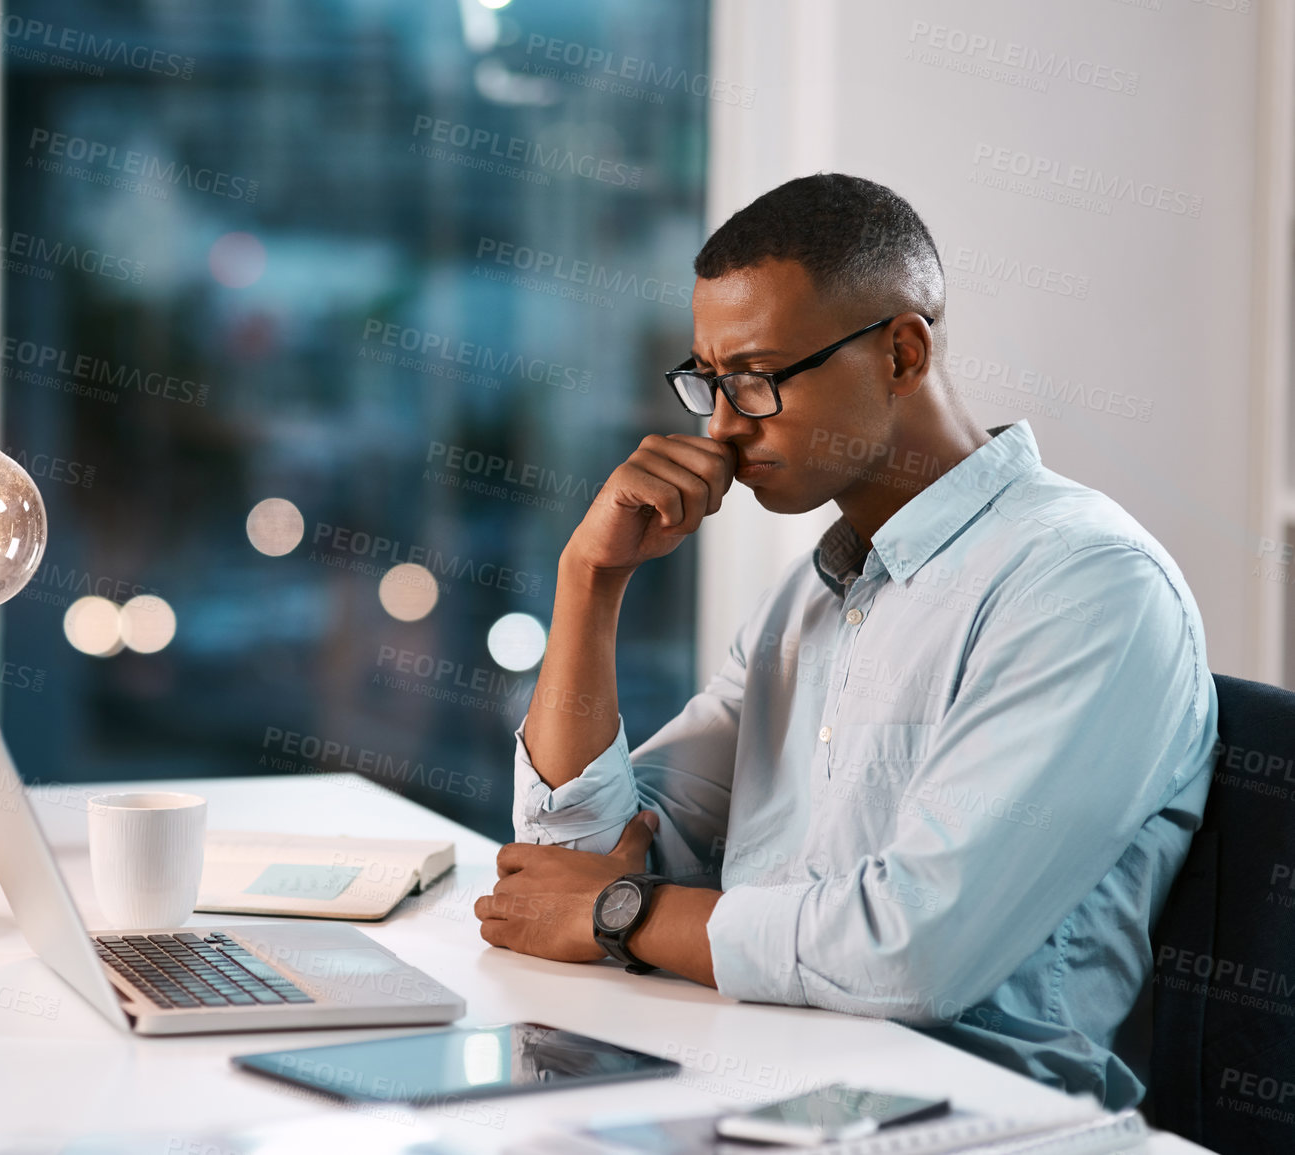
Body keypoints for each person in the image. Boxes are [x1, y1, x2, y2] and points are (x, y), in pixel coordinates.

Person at [474, 173, 1216, 1110]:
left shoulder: (1084, 585)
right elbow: (563, 861)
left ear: (901, 353)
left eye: (756, 379)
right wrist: (590, 583)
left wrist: (623, 913)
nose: (722, 425)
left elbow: (911, 951)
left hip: (966, 1116)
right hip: (748, 1071)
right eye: (708, 379)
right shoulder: (811, 599)